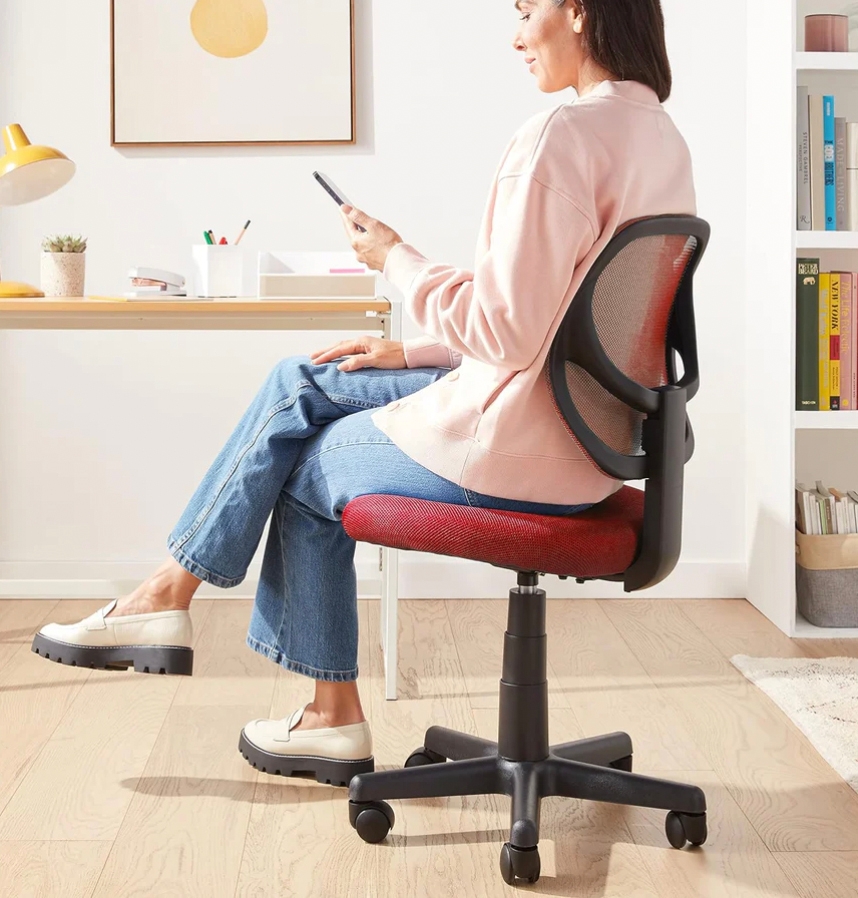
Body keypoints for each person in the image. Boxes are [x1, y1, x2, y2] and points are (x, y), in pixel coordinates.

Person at [31, 0, 695, 787]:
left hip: (517, 447)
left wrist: (395, 258)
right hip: (595, 444)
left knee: (303, 462)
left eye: (525, 11)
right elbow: (562, 319)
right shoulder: (662, 139)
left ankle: (318, 707)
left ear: (578, 11)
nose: (517, 35)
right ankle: (169, 599)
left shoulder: (560, 136)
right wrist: (408, 349)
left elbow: (513, 331)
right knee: (302, 382)